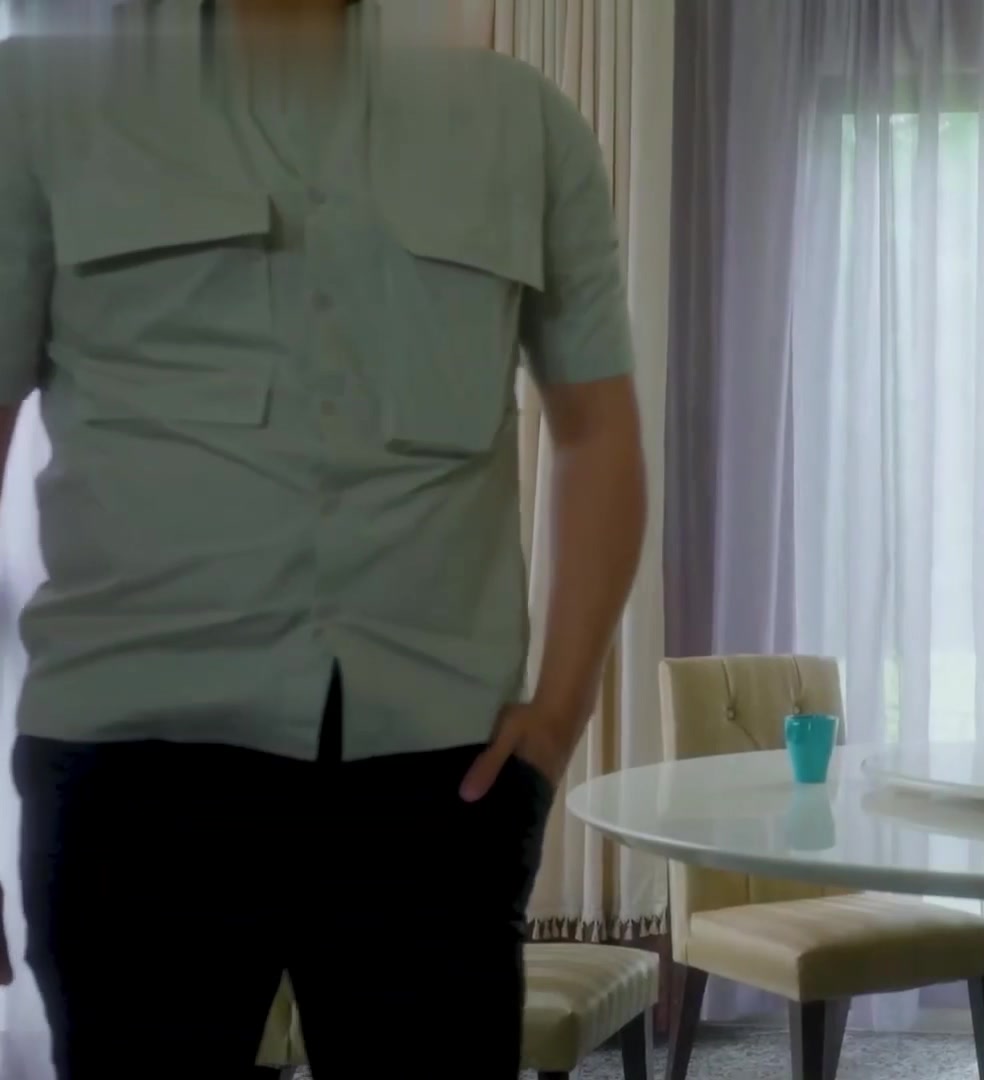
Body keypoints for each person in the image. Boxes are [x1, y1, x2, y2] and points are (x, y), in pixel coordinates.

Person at [0, 1, 645, 1077]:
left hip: (441, 778)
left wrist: (560, 714)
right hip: (130, 773)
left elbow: (598, 430)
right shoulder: (41, 104)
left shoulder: (520, 123)